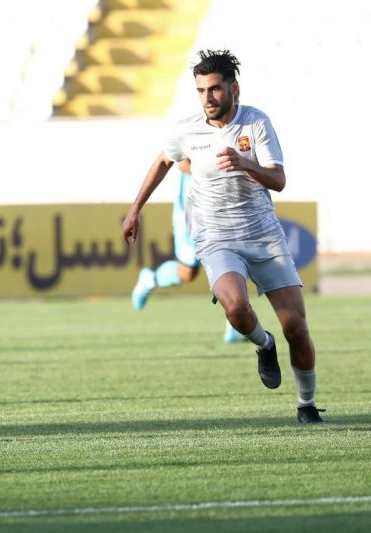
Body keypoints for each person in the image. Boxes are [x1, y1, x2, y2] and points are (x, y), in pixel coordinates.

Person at [122, 49, 324, 424]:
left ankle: (306, 404)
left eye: (214, 89)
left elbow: (279, 180)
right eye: (201, 91)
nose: (208, 98)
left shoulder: (256, 123)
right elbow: (164, 161)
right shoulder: (187, 129)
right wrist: (135, 209)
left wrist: (246, 163)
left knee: (296, 327)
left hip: (263, 236)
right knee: (234, 306)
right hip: (215, 236)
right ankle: (264, 344)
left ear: (234, 89)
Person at [131, 158, 245, 344]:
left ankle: (235, 326)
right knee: (188, 272)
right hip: (191, 211)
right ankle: (150, 279)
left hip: (222, 207)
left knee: (231, 259)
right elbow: (182, 163)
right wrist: (213, 170)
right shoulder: (190, 137)